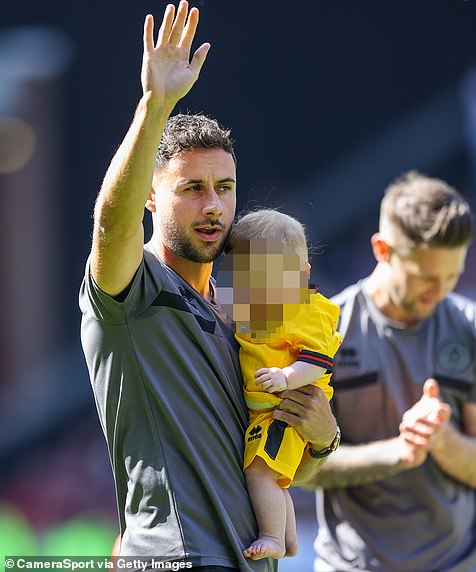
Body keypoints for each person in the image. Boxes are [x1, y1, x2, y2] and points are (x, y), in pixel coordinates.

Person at [78, 3, 338, 570]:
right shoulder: (133, 289)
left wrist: (322, 437)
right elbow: (111, 224)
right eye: (191, 187)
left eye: (224, 187)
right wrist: (155, 106)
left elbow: (280, 456)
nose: (213, 205)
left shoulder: (249, 312)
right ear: (153, 197)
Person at [307, 171, 476, 572]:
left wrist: (440, 439)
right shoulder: (324, 331)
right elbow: (301, 470)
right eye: (425, 277)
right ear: (382, 250)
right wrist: (397, 453)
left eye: (453, 276)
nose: (440, 292)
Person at [216, 209, 342, 561]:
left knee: (260, 475)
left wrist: (286, 378)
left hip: (284, 411)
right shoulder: (254, 308)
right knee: (274, 480)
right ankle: (287, 538)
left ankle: (272, 536)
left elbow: (318, 361)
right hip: (267, 411)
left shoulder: (308, 310)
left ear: (301, 276)